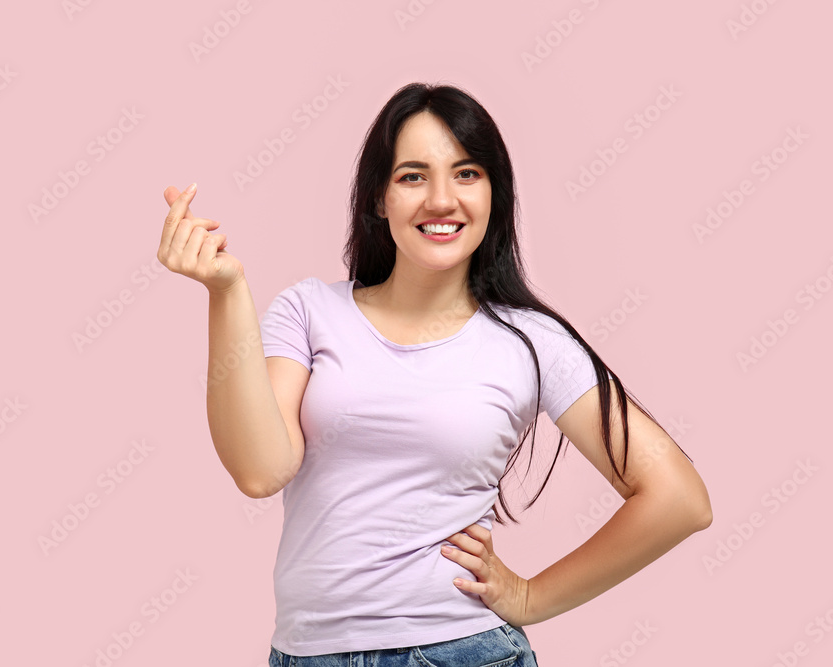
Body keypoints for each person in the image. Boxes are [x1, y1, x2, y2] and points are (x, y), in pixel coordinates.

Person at [157, 82, 713, 667]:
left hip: (460, 652)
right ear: (379, 198)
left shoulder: (530, 341)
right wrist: (227, 292)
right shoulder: (309, 311)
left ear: (494, 193)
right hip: (304, 654)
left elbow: (679, 499)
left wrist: (531, 596)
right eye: (413, 176)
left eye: (467, 173)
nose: (442, 199)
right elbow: (260, 469)